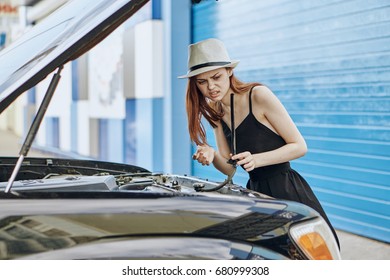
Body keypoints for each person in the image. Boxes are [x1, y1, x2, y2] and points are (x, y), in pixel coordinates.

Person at [179, 38, 339, 248]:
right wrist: (211, 153)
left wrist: (257, 159)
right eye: (202, 81)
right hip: (255, 194)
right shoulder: (216, 112)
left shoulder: (258, 95)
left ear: (229, 71)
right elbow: (229, 168)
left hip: (287, 190)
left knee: (310, 255)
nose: (211, 87)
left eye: (216, 77)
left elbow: (299, 145)